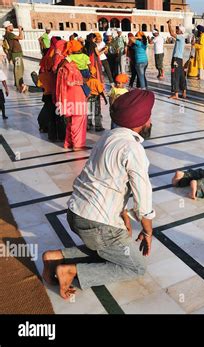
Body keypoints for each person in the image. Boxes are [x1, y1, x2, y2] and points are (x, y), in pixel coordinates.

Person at [42, 89, 155, 300]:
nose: (150, 121)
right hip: (97, 223)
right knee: (135, 267)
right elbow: (144, 201)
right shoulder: (133, 149)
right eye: (149, 116)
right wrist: (148, 232)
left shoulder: (108, 136)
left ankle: (55, 257)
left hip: (76, 213)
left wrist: (122, 217)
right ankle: (71, 271)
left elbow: (106, 180)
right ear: (143, 120)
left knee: (106, 248)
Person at [56, 52, 88, 151]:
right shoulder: (72, 68)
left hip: (66, 98)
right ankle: (77, 145)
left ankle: (68, 143)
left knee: (70, 121)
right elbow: (82, 81)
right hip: (77, 98)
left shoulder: (61, 69)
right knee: (78, 122)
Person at [3, 21, 27, 93]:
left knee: (20, 69)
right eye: (11, 26)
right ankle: (19, 85)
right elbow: (21, 37)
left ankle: (20, 84)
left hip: (17, 54)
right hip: (16, 54)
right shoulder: (9, 34)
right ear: (8, 27)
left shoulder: (8, 34)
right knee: (18, 70)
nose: (13, 27)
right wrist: (20, 30)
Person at [168, 20, 187, 99]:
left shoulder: (181, 37)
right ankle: (184, 93)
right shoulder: (182, 38)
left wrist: (169, 25)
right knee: (181, 75)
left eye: (178, 29)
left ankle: (176, 94)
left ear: (181, 31)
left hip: (176, 59)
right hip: (180, 59)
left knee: (175, 75)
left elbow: (172, 34)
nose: (176, 30)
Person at [86, 66, 107, 131]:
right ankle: (98, 126)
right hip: (96, 98)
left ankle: (88, 125)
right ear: (95, 73)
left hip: (88, 98)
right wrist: (105, 99)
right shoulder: (96, 81)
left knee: (89, 112)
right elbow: (100, 91)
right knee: (97, 112)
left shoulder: (87, 81)